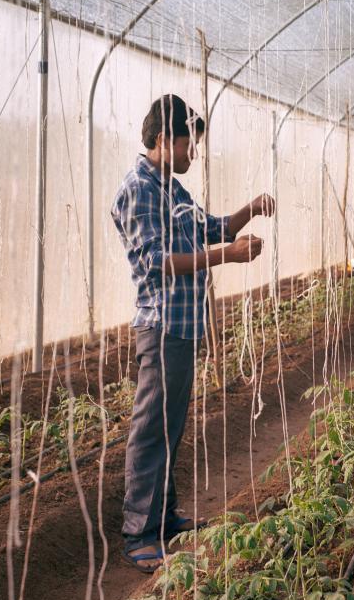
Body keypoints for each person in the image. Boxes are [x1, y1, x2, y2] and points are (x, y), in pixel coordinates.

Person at [111, 94, 275, 571]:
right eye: (188, 145)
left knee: (171, 424)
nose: (192, 154)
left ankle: (162, 517)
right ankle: (139, 533)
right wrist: (230, 255)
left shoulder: (171, 188)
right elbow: (156, 262)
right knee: (151, 429)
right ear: (164, 139)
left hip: (183, 327)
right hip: (161, 326)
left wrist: (250, 210)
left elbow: (209, 228)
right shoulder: (139, 189)